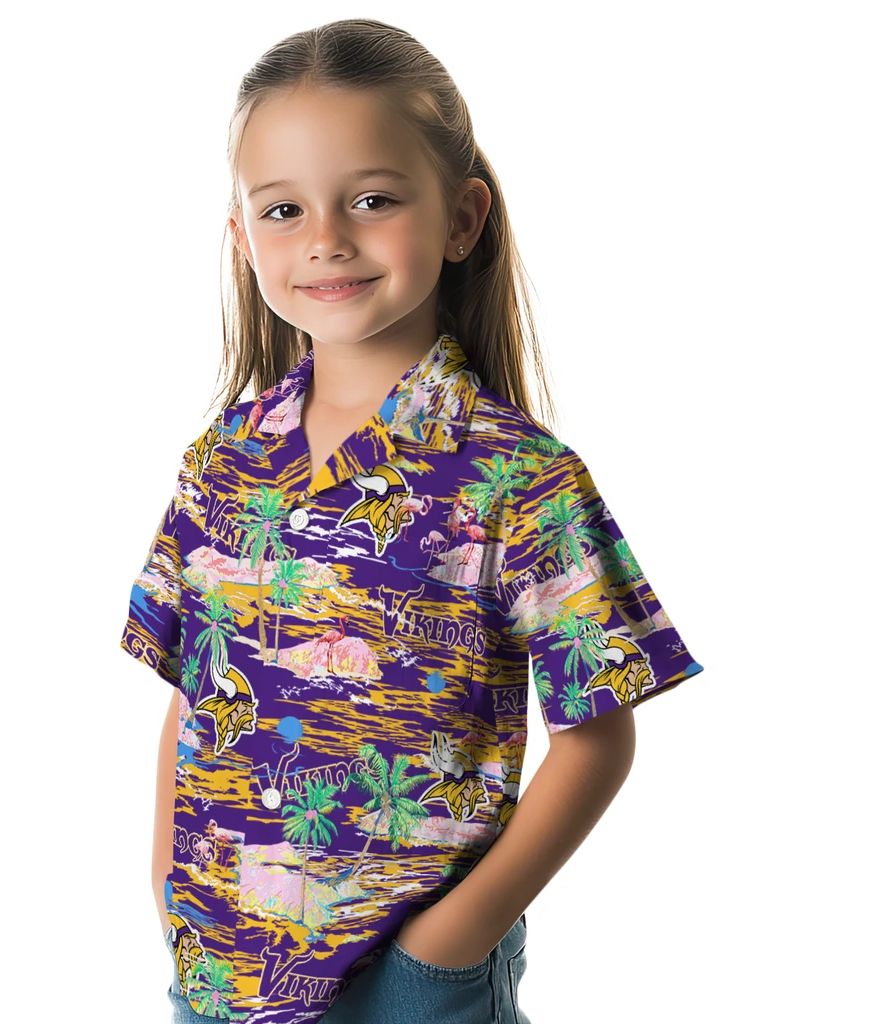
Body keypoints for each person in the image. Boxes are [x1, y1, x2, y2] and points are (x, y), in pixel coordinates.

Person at [119, 18, 705, 1024]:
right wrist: (168, 887)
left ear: (462, 218)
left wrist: (451, 939)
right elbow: (191, 689)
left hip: (413, 978)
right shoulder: (223, 462)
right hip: (219, 960)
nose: (326, 239)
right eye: (283, 209)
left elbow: (598, 737)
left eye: (373, 199)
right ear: (242, 237)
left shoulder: (520, 478)